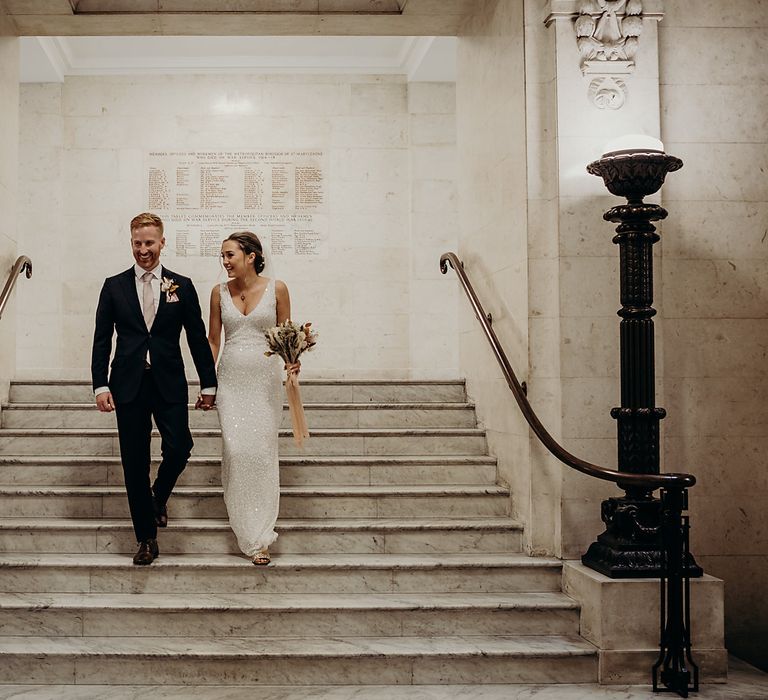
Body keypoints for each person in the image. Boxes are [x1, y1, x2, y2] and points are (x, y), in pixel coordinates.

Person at [91, 213, 217, 565]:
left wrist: (208, 383)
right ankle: (146, 538)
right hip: (127, 384)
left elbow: (196, 338)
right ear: (131, 243)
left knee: (180, 446)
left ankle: (158, 495)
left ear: (163, 242)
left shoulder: (181, 285)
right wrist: (100, 383)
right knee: (134, 462)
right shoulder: (113, 286)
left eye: (149, 243)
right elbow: (102, 340)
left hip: (168, 382)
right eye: (137, 243)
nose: (143, 250)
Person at [207, 231, 298, 565]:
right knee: (236, 450)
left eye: (230, 255)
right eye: (223, 256)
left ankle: (260, 537)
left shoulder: (278, 289)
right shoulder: (218, 293)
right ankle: (243, 526)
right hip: (230, 381)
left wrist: (292, 359)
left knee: (260, 451)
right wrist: (207, 381)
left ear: (251, 256)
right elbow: (214, 339)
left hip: (264, 383)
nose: (225, 262)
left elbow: (286, 334)